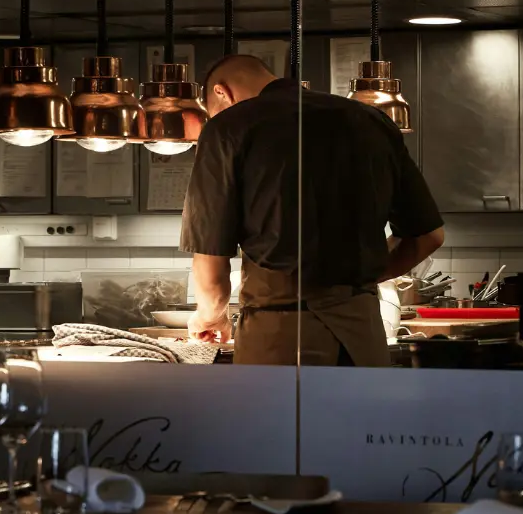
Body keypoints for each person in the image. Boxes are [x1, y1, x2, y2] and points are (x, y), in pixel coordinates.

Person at [179, 55, 444, 366]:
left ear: (222, 93)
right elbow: (429, 236)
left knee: (279, 417)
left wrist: (209, 317)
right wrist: (353, 281)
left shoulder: (227, 128)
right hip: (365, 339)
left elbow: (211, 264)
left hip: (280, 340)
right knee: (362, 416)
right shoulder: (373, 120)